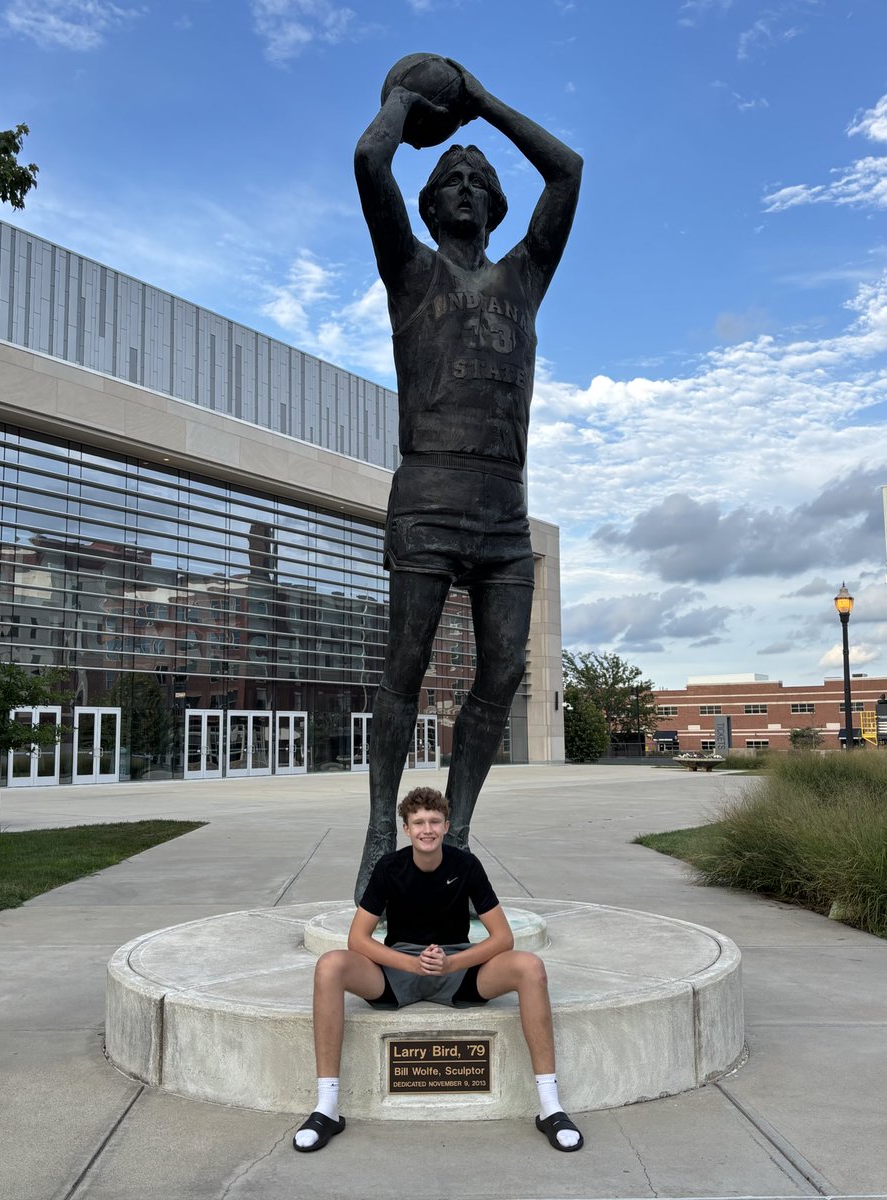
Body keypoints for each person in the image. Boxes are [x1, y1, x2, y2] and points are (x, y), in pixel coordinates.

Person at [353, 61, 582, 903]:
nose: (461, 185)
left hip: (502, 511)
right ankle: (383, 824)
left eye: (474, 180)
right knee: (404, 667)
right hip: (426, 496)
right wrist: (407, 103)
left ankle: (458, 824)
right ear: (430, 204)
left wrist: (480, 101)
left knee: (501, 675)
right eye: (449, 177)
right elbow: (371, 163)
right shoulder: (410, 273)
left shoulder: (524, 277)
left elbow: (569, 171)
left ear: (492, 204)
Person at [293, 786, 583, 1153]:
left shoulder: (465, 865)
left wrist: (454, 961)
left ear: (446, 826)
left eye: (434, 821)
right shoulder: (389, 867)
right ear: (406, 828)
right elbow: (358, 940)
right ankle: (327, 1107)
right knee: (329, 965)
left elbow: (503, 937)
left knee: (531, 967)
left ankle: (550, 1106)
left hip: (457, 966)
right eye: (418, 822)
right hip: (399, 968)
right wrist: (410, 962)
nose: (426, 829)